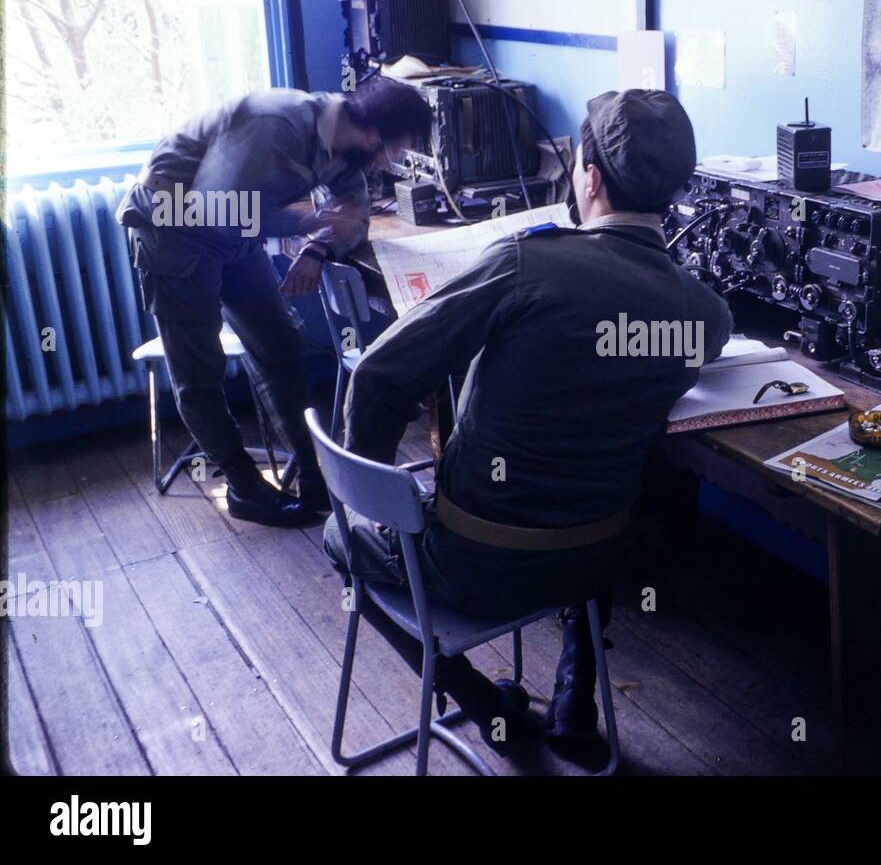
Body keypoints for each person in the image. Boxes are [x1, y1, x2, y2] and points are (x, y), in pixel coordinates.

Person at [323, 89, 733, 753]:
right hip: (597, 555)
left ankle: (486, 705)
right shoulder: (705, 315)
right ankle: (574, 700)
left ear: (591, 179)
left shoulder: (526, 263)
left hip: (471, 564)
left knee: (339, 538)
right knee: (605, 478)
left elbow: (377, 375)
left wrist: (372, 506)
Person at [118, 81, 432, 526]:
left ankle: (312, 472)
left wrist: (317, 247)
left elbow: (353, 212)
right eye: (401, 148)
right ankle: (242, 485)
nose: (397, 161)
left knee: (280, 343)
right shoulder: (276, 122)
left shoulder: (344, 144)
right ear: (375, 136)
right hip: (174, 225)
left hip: (234, 233)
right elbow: (213, 206)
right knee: (198, 368)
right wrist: (307, 220)